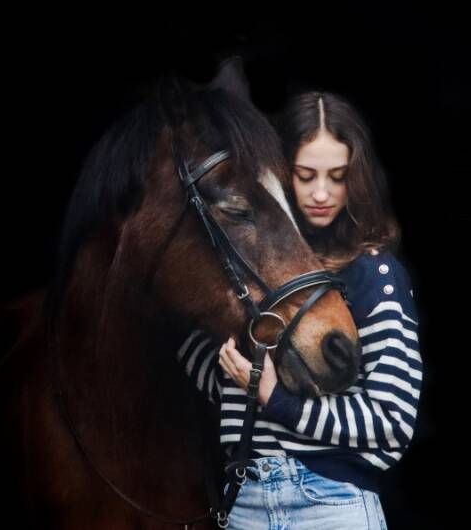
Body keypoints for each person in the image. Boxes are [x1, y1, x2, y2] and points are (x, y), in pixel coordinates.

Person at [177, 91, 422, 529]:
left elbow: (392, 420)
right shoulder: (247, 266)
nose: (321, 193)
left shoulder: (372, 271)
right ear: (277, 172)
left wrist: (275, 398)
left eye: (337, 177)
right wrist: (237, 370)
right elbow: (203, 360)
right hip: (246, 500)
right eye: (305, 176)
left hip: (332, 503)